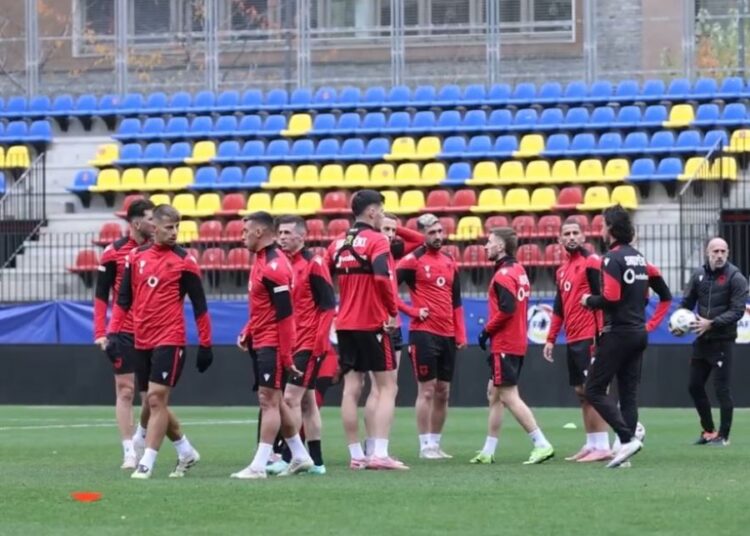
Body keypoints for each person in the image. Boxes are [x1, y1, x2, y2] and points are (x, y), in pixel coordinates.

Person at [110, 204, 214, 479]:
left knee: (156, 399)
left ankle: (147, 462)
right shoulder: (135, 257)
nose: (174, 232)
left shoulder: (185, 260)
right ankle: (185, 450)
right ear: (154, 228)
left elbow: (200, 306)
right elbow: (123, 300)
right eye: (169, 227)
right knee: (152, 402)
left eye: (177, 227)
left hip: (170, 338)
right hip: (141, 339)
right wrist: (112, 332)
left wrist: (206, 344)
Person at [328, 190, 405, 470]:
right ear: (371, 212)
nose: (383, 215)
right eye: (381, 211)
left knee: (351, 389)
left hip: (344, 323)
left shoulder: (336, 244)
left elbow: (324, 279)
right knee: (387, 386)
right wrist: (392, 311)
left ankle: (356, 455)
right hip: (372, 322)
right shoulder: (377, 241)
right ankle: (379, 453)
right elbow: (382, 279)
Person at [231, 211, 307, 479]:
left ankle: (259, 465)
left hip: (272, 343)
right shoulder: (262, 260)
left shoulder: (275, 266)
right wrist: (248, 330)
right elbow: (263, 308)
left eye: (245, 231)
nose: (242, 237)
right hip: (262, 338)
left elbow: (285, 315)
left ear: (259, 232)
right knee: (275, 400)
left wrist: (286, 355)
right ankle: (300, 455)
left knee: (268, 401)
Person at [582, 205, 659, 469]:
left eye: (603, 225)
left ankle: (626, 439)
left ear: (611, 229)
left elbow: (611, 298)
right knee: (628, 394)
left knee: (593, 389)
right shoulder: (639, 257)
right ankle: (624, 453)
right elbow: (647, 296)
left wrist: (589, 300)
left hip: (618, 333)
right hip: (638, 332)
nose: (601, 230)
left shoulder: (611, 259)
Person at [472, 227, 555, 465]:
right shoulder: (519, 270)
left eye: (489, 242)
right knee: (494, 394)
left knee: (508, 396)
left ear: (500, 246)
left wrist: (486, 330)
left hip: (505, 343)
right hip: (517, 340)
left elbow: (507, 310)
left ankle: (541, 443)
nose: (485, 246)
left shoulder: (502, 275)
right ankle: (488, 451)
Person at [396, 213, 466, 459]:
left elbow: (456, 301)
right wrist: (412, 311)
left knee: (443, 391)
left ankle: (435, 444)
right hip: (423, 333)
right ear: (422, 235)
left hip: (447, 334)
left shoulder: (449, 261)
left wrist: (460, 333)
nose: (437, 236)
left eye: (439, 231)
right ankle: (424, 445)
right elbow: (387, 290)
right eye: (432, 233)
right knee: (426, 390)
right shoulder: (411, 261)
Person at [543, 218, 611, 462]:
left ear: (583, 237)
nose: (571, 237)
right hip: (572, 338)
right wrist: (551, 338)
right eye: (567, 234)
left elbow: (603, 298)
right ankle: (591, 444)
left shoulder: (591, 262)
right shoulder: (562, 270)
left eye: (575, 233)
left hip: (589, 335)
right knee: (581, 392)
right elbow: (559, 308)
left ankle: (603, 445)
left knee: (594, 390)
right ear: (559, 239)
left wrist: (601, 333)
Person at [93, 199, 155, 469]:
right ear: (136, 222)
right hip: (124, 331)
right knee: (125, 390)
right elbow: (100, 295)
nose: (155, 224)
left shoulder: (158, 251)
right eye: (151, 218)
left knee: (152, 396)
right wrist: (100, 332)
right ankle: (129, 450)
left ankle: (141, 434)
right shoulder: (113, 253)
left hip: (152, 331)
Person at [274, 215, 336, 475]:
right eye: (280, 233)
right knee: (308, 402)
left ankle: (290, 457)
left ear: (302, 236)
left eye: (288, 233)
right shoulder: (281, 264)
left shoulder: (314, 263)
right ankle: (317, 463)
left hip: (308, 343)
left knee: (290, 399)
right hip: (290, 342)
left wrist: (320, 342)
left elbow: (328, 306)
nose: (282, 237)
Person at [362, 212, 423, 458]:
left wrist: (396, 228)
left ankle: (377, 445)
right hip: (379, 323)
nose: (389, 235)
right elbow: (387, 293)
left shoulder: (391, 253)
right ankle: (374, 446)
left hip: (393, 325)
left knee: (388, 387)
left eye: (392, 231)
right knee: (379, 389)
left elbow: (419, 240)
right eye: (385, 229)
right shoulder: (374, 254)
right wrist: (411, 311)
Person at [679, 237, 748, 446]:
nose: (719, 255)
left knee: (721, 390)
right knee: (694, 386)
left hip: (722, 341)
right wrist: (680, 320)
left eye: (723, 251)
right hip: (702, 340)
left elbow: (737, 311)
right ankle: (709, 431)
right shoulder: (698, 275)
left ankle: (723, 436)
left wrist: (712, 323)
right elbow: (687, 303)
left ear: (728, 253)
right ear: (707, 252)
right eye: (715, 251)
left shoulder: (736, 277)